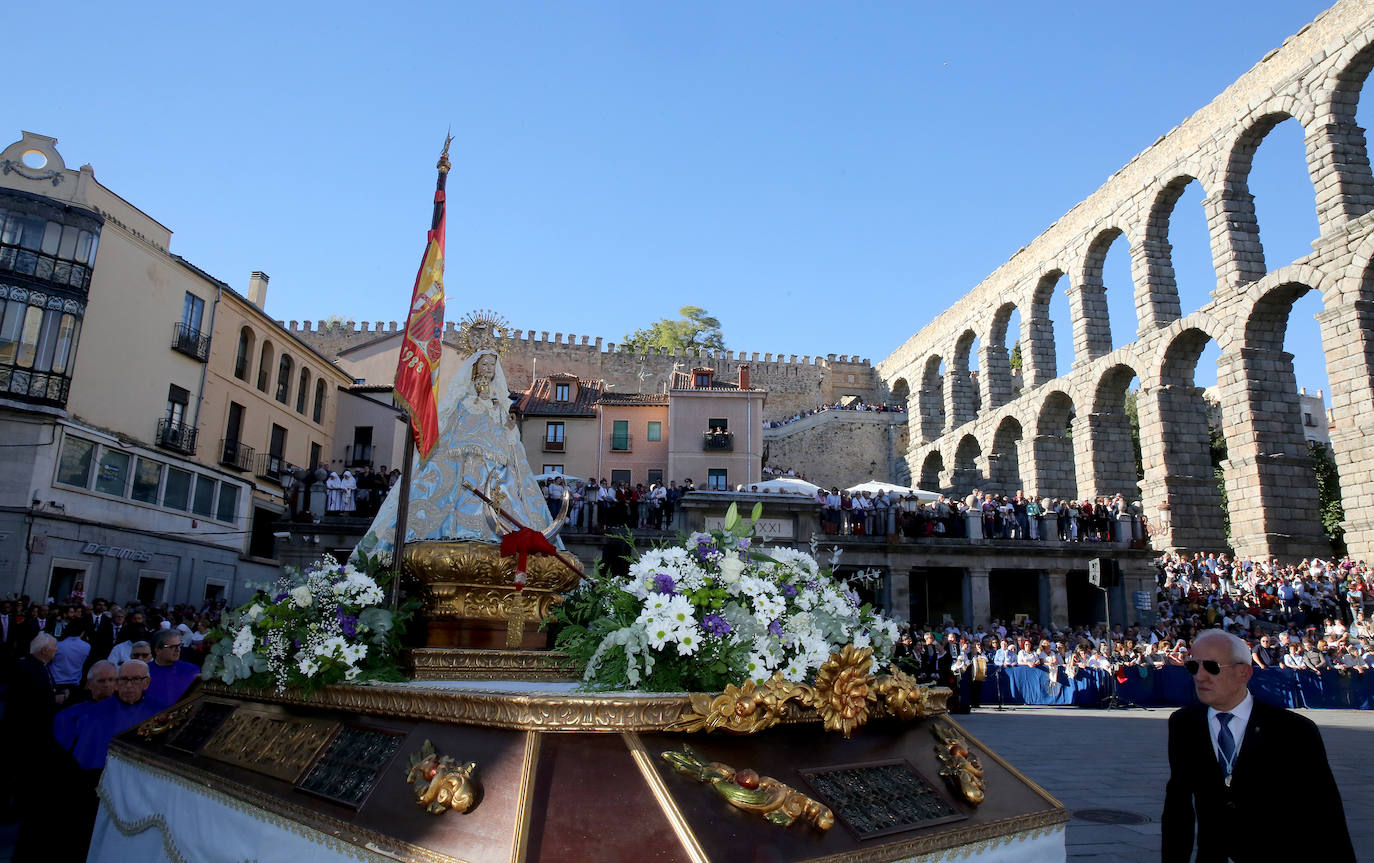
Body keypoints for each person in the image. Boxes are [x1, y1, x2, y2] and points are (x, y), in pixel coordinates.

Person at [1161, 629, 1353, 862]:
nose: (1200, 676)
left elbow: (1325, 811)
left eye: (1212, 667)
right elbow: (1178, 806)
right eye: (1193, 667)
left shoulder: (1294, 730)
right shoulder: (1184, 724)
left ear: (1244, 672)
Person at [354, 349, 560, 560]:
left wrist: (507, 425)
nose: (489, 369)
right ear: (475, 368)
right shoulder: (464, 398)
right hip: (462, 452)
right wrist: (478, 405)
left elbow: (505, 428)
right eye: (485, 365)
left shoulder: (499, 401)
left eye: (492, 365)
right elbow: (455, 419)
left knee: (504, 496)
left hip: (496, 459)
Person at [146, 629, 200, 705]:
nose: (178, 650)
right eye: (172, 647)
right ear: (157, 650)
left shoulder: (193, 671)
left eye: (179, 645)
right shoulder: (143, 673)